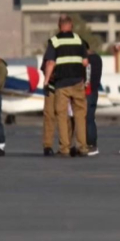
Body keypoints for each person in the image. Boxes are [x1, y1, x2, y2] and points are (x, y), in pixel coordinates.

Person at [43, 15, 89, 157]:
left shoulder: (55, 41)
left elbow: (50, 63)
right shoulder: (79, 40)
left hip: (62, 83)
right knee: (80, 115)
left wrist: (45, 82)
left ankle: (65, 148)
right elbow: (85, 62)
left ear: (59, 26)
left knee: (62, 115)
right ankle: (83, 147)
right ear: (71, 25)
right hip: (77, 82)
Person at [86, 43, 102, 156]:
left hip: (87, 92)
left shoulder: (87, 60)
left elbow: (87, 77)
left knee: (86, 119)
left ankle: (89, 144)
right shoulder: (98, 59)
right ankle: (92, 144)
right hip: (94, 92)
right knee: (91, 118)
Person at [41, 58, 57, 156]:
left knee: (66, 117)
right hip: (52, 88)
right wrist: (50, 77)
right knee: (49, 116)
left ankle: (66, 145)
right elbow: (44, 67)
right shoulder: (51, 49)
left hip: (65, 86)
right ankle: (48, 145)